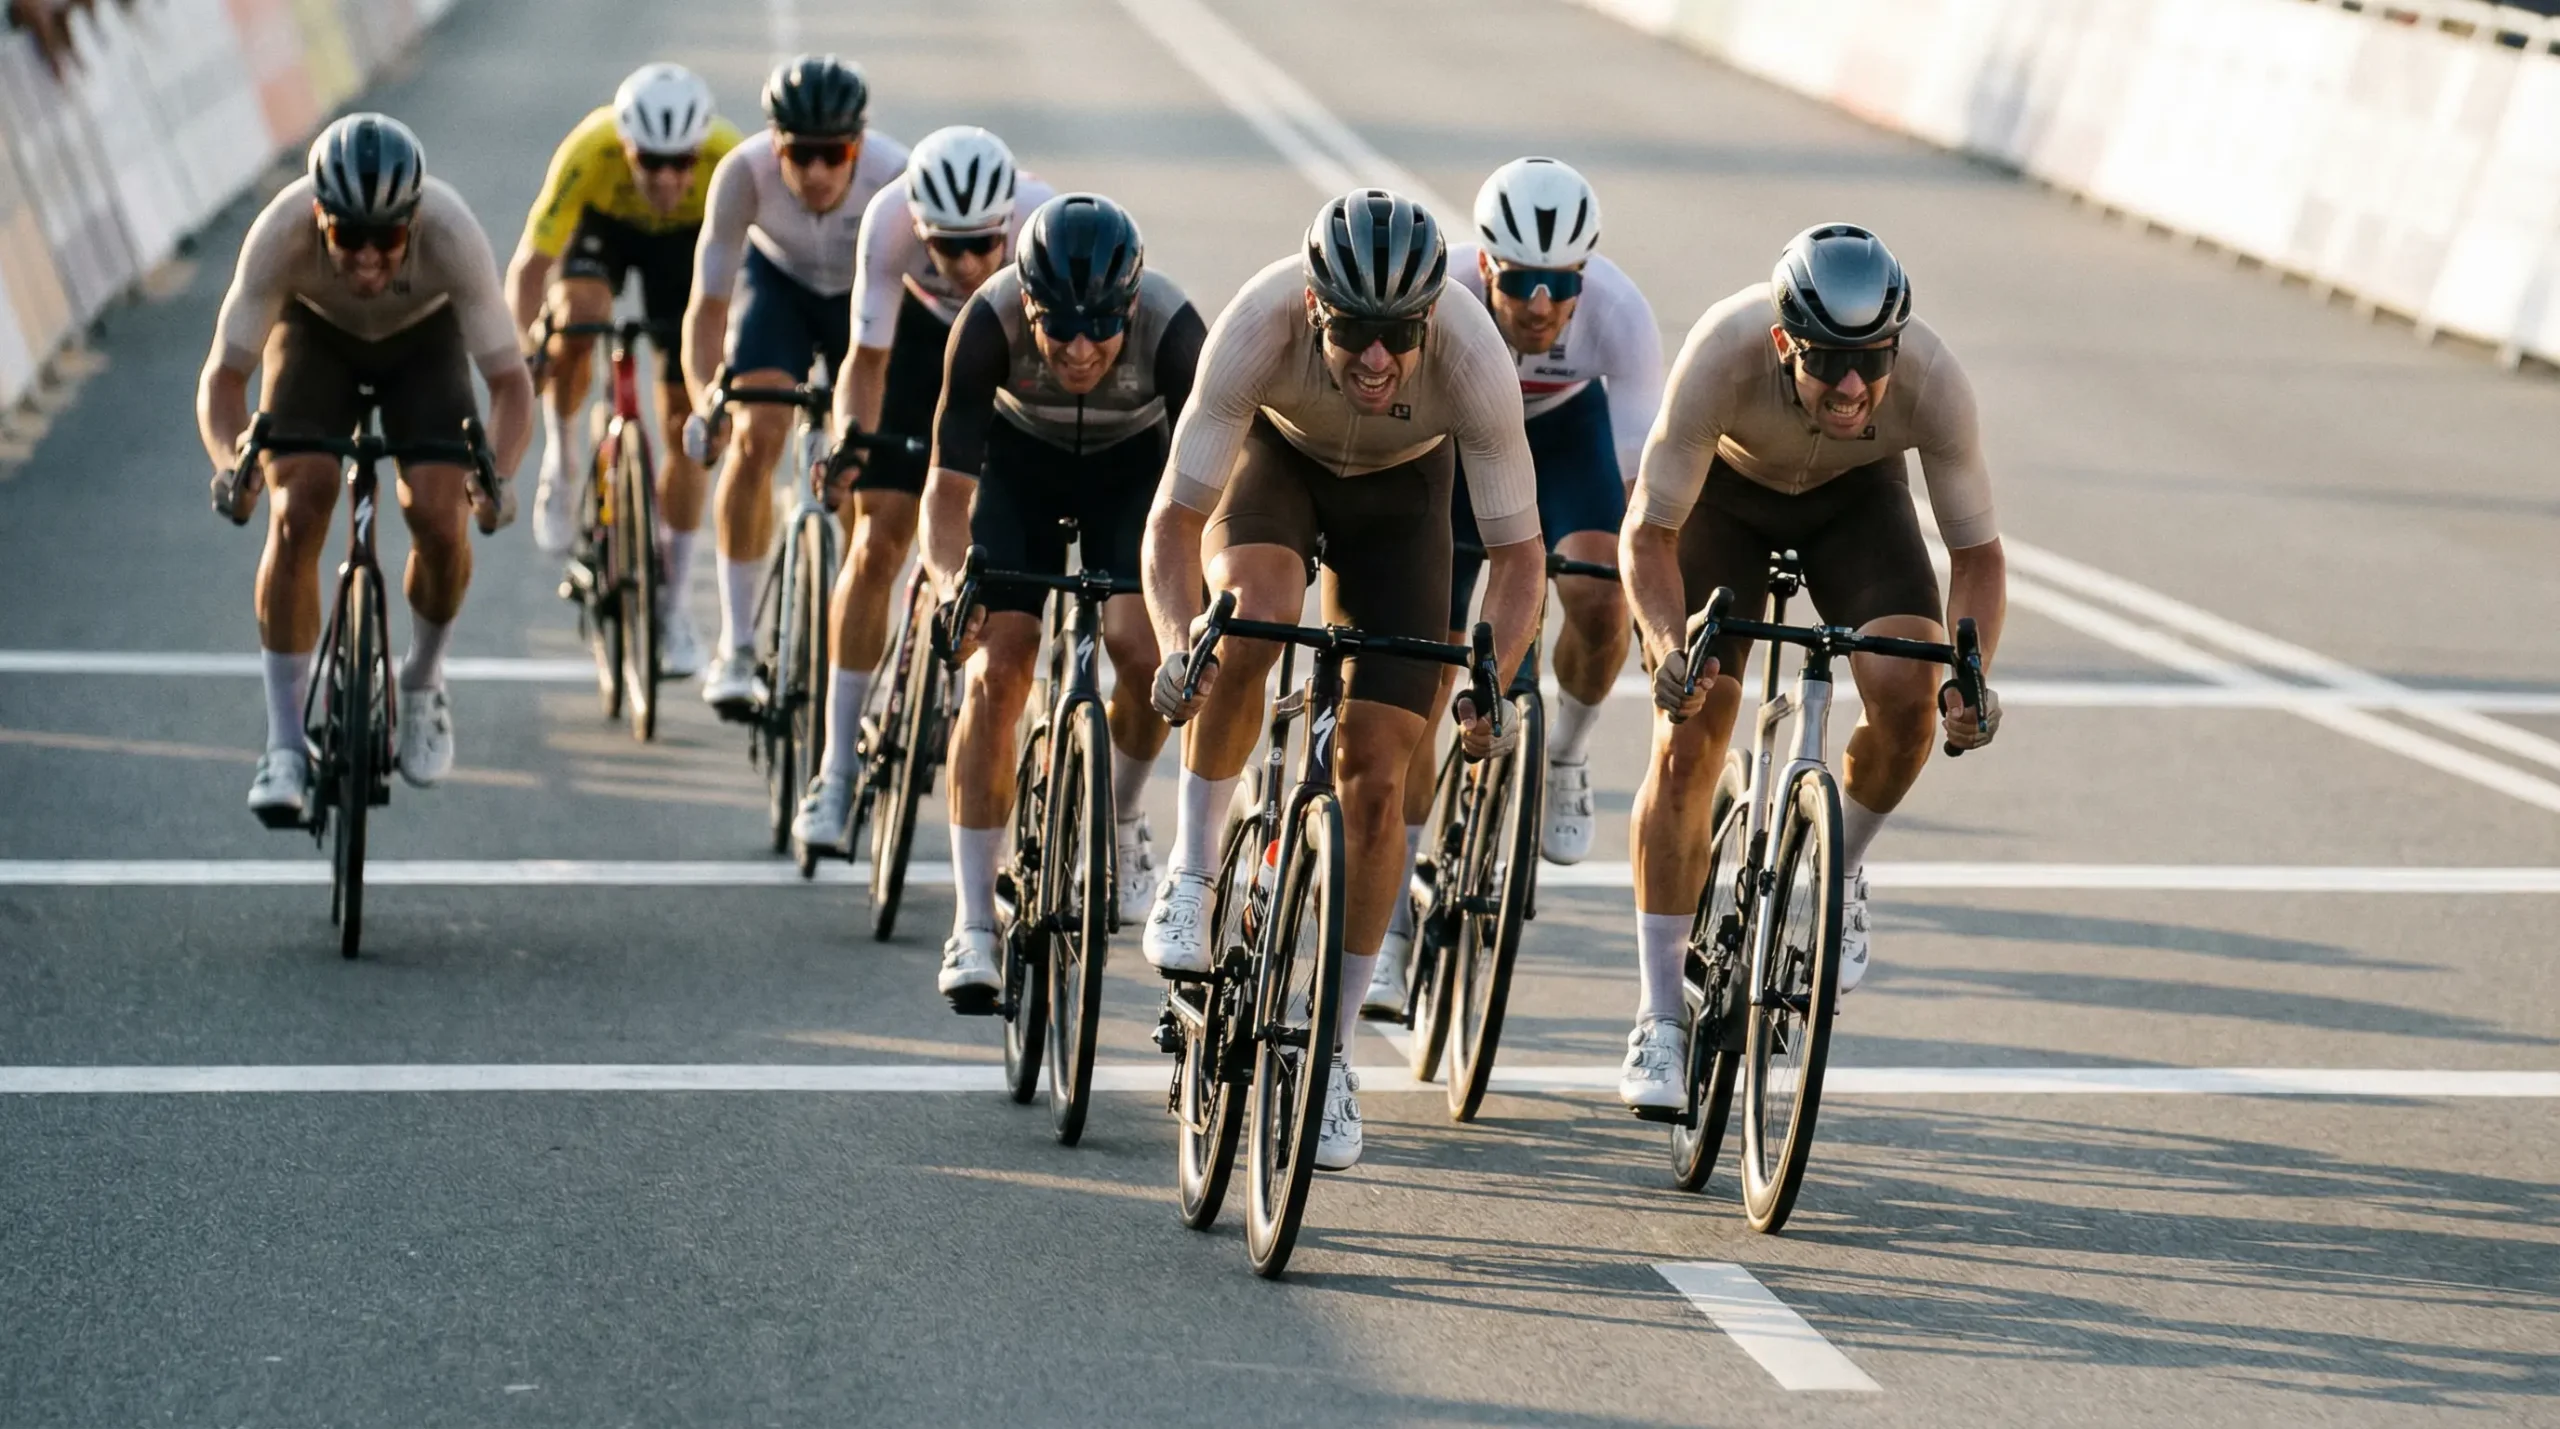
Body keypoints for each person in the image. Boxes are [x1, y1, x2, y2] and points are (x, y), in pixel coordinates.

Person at [1142, 190, 1545, 1171]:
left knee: (1376, 779)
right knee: (1250, 618)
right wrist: (1177, 643)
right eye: (1355, 332)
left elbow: (1519, 558)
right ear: (1315, 308)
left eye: (1399, 336)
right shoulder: (1257, 323)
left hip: (1405, 498)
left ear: (1429, 321)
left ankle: (1330, 1057)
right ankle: (1194, 871)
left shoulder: (1472, 355)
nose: (1376, 359)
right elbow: (1173, 523)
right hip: (1280, 463)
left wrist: (1489, 684)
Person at [1614, 223, 2006, 1112]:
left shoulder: (1933, 380)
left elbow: (1977, 556)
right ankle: (1660, 1014)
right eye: (1829, 362)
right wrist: (1670, 648)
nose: (1854, 386)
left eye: (1872, 362)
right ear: (1784, 341)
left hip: (1855, 504)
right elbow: (1648, 533)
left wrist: (1969, 678)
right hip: (1725, 500)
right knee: (1688, 737)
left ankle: (1839, 868)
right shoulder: (1722, 353)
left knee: (1907, 691)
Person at [1365, 156, 1665, 1017]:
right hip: (1455, 440)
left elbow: (1640, 490)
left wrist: (1648, 595)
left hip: (1563, 434)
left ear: (1584, 273)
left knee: (1602, 593)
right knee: (1424, 683)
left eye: (1560, 282)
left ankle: (1565, 752)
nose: (1539, 303)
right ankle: (1388, 922)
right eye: (1520, 279)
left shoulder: (1619, 314)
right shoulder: (1442, 295)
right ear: (1484, 263)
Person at [196, 114, 532, 823]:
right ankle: (284, 745)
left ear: (415, 222)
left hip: (423, 340)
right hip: (315, 333)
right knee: (298, 506)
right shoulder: (280, 233)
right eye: (349, 237)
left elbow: (510, 383)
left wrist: (497, 478)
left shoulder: (453, 234)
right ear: (320, 218)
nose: (370, 259)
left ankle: (423, 680)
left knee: (439, 513)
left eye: (389, 238)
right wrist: (231, 464)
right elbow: (224, 378)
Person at [913, 194, 1206, 1006]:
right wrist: (949, 585)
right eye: (1060, 329)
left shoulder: (1177, 333)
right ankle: (974, 922)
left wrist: (1204, 602)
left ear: (1132, 307)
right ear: (1028, 304)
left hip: (1132, 475)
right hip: (1021, 472)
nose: (1080, 350)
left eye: (1101, 328)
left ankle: (1120, 816)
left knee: (1146, 651)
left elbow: (1214, 497)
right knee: (997, 671)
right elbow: (945, 492)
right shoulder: (987, 322)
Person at [791, 127, 1055, 847]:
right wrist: (851, 438)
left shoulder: (1041, 220)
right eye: (947, 246)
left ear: (1007, 223)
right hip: (915, 343)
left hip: (1007, 351)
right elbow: (865, 361)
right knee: (877, 538)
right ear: (918, 227)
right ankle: (835, 771)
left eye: (983, 245)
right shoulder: (886, 220)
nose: (966, 263)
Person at [680, 54, 909, 715]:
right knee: (756, 435)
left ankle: (849, 640)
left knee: (863, 470)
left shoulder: (895, 176)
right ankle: (737, 645)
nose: (815, 172)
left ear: (858, 144)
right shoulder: (742, 174)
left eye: (833, 153)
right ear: (774, 144)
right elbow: (708, 309)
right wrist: (707, 403)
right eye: (799, 153)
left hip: (863, 303)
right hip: (778, 286)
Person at [507, 63, 743, 678]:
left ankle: (674, 607)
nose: (666, 178)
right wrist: (526, 351)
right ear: (625, 147)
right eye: (650, 162)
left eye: (681, 163)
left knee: (687, 423)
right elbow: (531, 267)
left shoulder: (728, 157)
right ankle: (561, 461)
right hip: (605, 231)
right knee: (578, 319)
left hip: (685, 245)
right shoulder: (590, 149)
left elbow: (761, 266)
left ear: (700, 152)